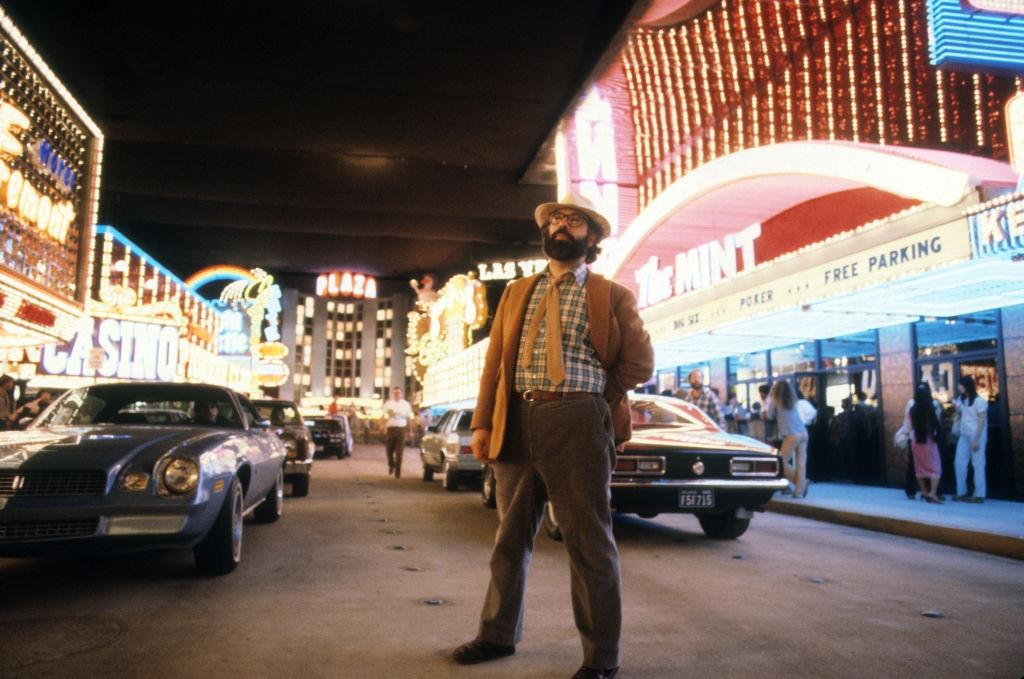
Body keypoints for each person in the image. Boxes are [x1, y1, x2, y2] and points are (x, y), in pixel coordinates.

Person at [452, 192, 653, 679]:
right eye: (557, 219)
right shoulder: (518, 292)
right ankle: (497, 635)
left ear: (592, 238)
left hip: (579, 422)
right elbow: (496, 362)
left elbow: (640, 363)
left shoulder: (610, 294)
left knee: (588, 542)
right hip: (517, 419)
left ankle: (602, 657)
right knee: (509, 538)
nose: (563, 225)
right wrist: (483, 422)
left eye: (575, 221)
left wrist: (593, 397)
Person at [766, 381, 809, 498]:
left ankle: (801, 484)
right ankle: (799, 491)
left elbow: (768, 415)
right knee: (801, 463)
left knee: (780, 462)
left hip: (791, 435)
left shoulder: (775, 400)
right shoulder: (793, 399)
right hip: (803, 432)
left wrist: (770, 395)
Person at [905, 383, 943, 503]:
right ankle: (932, 493)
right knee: (935, 468)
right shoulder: (931, 408)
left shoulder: (912, 409)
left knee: (919, 468)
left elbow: (908, 426)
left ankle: (924, 492)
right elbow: (936, 424)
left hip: (916, 440)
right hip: (928, 440)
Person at [952, 375, 988, 503]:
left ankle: (979, 494)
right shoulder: (961, 400)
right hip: (964, 434)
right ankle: (961, 492)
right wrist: (956, 410)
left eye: (960, 384)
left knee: (978, 463)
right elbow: (960, 415)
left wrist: (977, 439)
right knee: (959, 463)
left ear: (966, 385)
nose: (958, 387)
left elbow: (982, 420)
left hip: (976, 434)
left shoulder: (979, 401)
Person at [381, 387, 412, 478]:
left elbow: (409, 418)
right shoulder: (388, 404)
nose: (397, 395)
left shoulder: (405, 404)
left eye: (398, 393)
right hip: (390, 429)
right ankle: (391, 465)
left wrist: (410, 430)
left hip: (401, 429)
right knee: (389, 451)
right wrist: (382, 426)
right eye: (395, 393)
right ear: (392, 394)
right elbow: (383, 416)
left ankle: (398, 471)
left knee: (399, 452)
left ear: (401, 394)